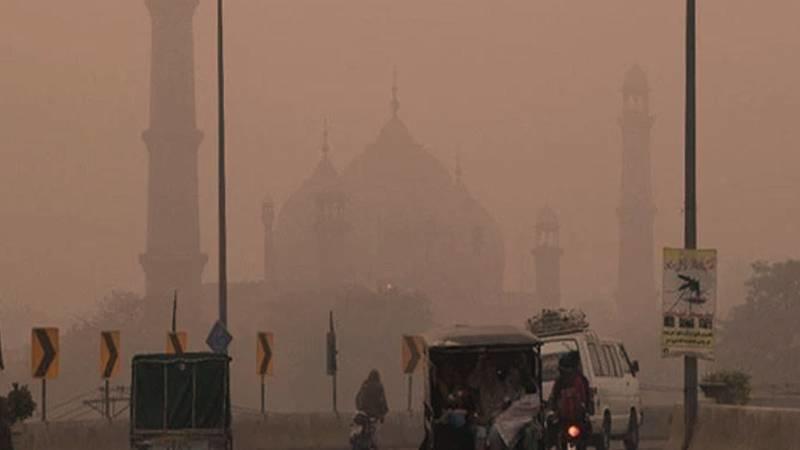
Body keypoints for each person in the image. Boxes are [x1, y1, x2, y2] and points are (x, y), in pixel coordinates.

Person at [547, 352, 593, 447]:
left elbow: (554, 398)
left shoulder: (563, 381)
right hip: (566, 419)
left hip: (573, 419)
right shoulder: (581, 379)